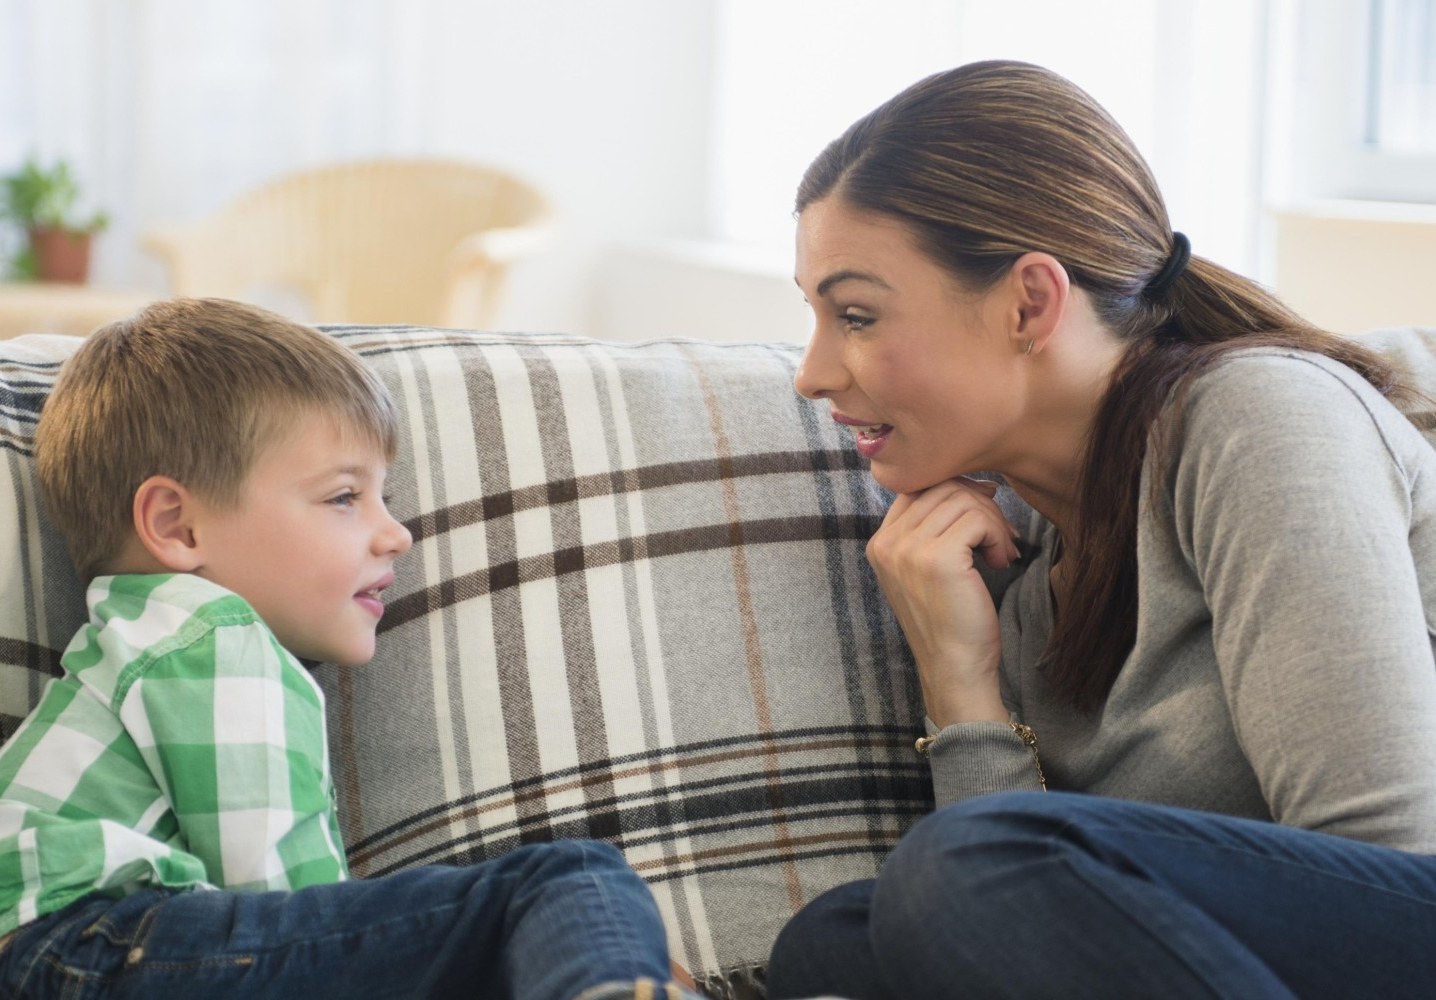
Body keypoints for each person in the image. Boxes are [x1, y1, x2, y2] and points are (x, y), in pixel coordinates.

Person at [768, 60, 1436, 1000]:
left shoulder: (1258, 418)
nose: (812, 374)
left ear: (1031, 303)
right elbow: (1005, 948)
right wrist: (962, 685)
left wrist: (987, 861)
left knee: (968, 864)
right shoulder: (1018, 574)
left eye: (856, 315)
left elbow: (1387, 870)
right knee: (836, 939)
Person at [0, 298, 702, 1000]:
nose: (397, 534)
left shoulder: (139, 638)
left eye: (382, 497)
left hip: (78, 953)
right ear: (178, 526)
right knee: (571, 880)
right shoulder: (211, 636)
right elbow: (289, 903)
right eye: (344, 497)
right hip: (75, 945)